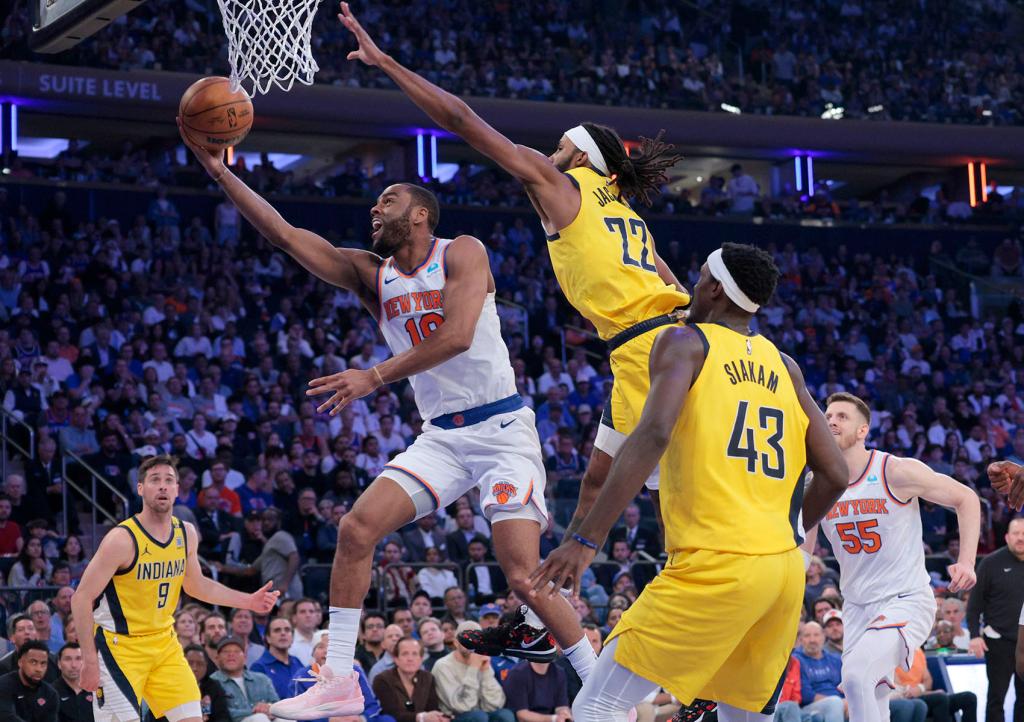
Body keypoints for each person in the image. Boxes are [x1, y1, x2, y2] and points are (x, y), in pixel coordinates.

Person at [179, 109, 594, 720]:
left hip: (503, 429)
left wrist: (371, 376)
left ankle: (600, 686)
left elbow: (455, 336)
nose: (375, 209)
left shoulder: (463, 252)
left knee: (522, 574)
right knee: (355, 529)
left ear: (420, 213)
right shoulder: (371, 275)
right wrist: (221, 174)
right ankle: (340, 678)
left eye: (388, 199)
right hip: (442, 438)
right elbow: (288, 236)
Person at [337, 0, 691, 662]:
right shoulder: (626, 214)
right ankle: (543, 611)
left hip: (649, 352)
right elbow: (673, 280)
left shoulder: (564, 185)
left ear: (579, 156)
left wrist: (386, 63)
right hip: (654, 344)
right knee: (593, 486)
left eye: (560, 145)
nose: (546, 153)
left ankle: (693, 654)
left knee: (679, 496)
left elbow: (462, 120)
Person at [530, 244, 849, 722]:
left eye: (700, 277)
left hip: (716, 562)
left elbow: (654, 432)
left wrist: (583, 538)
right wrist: (789, 532)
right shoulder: (785, 365)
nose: (692, 286)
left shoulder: (684, 342)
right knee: (741, 715)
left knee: (597, 704)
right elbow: (837, 474)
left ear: (716, 289)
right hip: (782, 572)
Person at [69, 455, 279, 722]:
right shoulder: (122, 539)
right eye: (155, 480)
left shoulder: (186, 533)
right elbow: (81, 598)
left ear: (178, 489)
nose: (163, 486)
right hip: (119, 646)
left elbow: (196, 585)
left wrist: (248, 601)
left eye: (169, 480)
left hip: (164, 643)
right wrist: (89, 660)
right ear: (141, 488)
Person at [816, 392, 979, 722]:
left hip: (905, 599)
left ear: (863, 430)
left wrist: (967, 560)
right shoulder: (817, 483)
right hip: (857, 606)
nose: (831, 420)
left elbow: (966, 498)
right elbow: (802, 550)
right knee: (870, 691)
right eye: (828, 415)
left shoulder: (894, 471)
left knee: (857, 676)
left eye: (842, 416)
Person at [966, 517, 1024, 722]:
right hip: (999, 642)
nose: (1021, 538)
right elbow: (974, 605)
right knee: (996, 698)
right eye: (1016, 533)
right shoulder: (990, 563)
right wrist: (974, 635)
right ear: (1007, 537)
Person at [431, 622, 510, 722]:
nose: (472, 641)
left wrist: (485, 672)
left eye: (477, 638)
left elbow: (496, 704)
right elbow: (461, 707)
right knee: (479, 717)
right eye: (465, 637)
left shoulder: (482, 660)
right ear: (456, 642)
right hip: (455, 717)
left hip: (481, 715)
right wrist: (473, 668)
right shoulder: (443, 666)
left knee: (505, 715)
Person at [372, 637, 447, 722]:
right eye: (405, 654)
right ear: (396, 659)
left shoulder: (428, 678)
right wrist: (421, 717)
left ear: (421, 659)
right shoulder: (382, 680)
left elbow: (432, 709)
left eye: (415, 654)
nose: (410, 659)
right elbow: (391, 714)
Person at [210, 637, 280, 722]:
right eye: (226, 652)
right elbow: (220, 712)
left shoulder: (262, 679)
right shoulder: (212, 682)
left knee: (284, 719)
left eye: (237, 651)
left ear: (245, 657)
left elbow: (277, 704)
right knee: (259, 718)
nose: (231, 655)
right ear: (217, 658)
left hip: (266, 718)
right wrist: (254, 711)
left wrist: (268, 707)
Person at [793, 623, 844, 722]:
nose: (812, 640)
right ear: (800, 640)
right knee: (834, 703)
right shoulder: (796, 660)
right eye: (807, 635)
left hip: (839, 702)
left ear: (823, 637)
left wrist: (847, 702)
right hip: (808, 707)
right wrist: (841, 702)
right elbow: (806, 696)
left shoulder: (836, 659)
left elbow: (845, 688)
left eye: (816, 635)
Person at [0, 639, 59, 722]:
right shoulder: (3, 685)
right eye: (33, 662)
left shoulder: (50, 694)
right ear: (20, 662)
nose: (39, 669)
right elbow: (6, 718)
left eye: (43, 663)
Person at [251, 617, 305, 701]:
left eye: (287, 630)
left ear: (292, 638)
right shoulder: (258, 667)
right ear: (268, 638)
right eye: (277, 630)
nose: (283, 633)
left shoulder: (297, 662)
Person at [501, 658, 571, 722]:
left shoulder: (559, 672)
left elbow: (561, 705)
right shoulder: (518, 673)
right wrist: (553, 719)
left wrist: (563, 714)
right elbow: (522, 715)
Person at [54, 642, 95, 722]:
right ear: (59, 663)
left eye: (78, 658)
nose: (73, 665)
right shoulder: (51, 693)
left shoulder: (95, 690)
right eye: (68, 659)